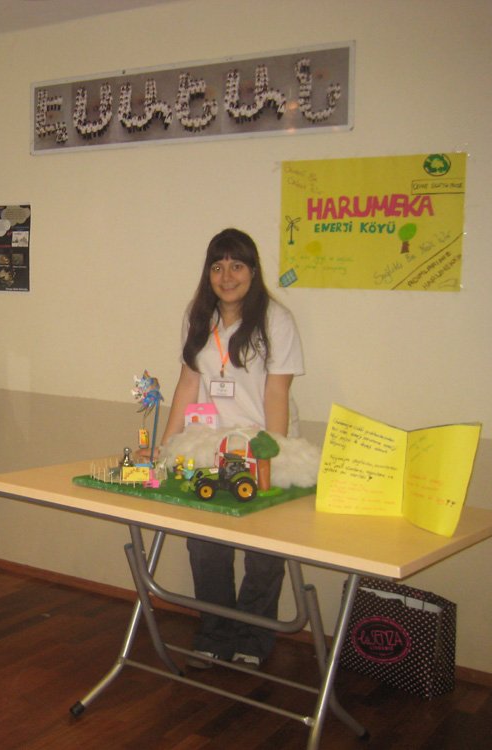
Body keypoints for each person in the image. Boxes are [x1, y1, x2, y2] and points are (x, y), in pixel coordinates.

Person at [157, 227, 304, 670]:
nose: (227, 276)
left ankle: (253, 641)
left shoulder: (276, 320)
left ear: (253, 271)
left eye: (237, 265)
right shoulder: (198, 316)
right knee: (206, 549)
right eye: (217, 267)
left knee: (263, 553)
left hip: (263, 443)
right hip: (208, 448)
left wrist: (272, 453)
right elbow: (188, 384)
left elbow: (277, 393)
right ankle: (214, 635)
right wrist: (166, 448)